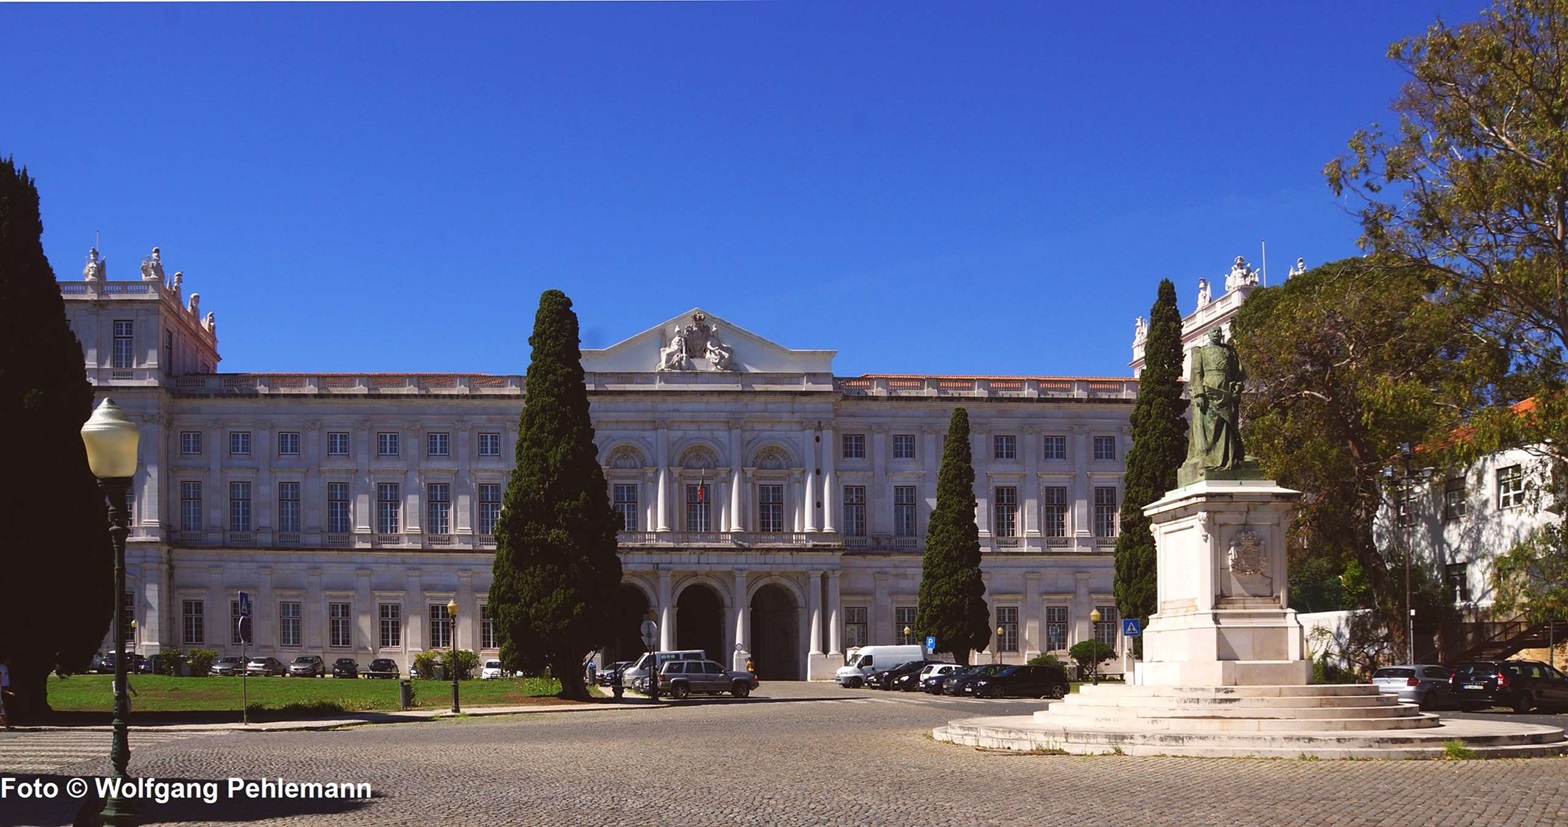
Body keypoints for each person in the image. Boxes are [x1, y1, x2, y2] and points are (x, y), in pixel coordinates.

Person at [1187, 328, 1247, 471]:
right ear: (1208, 334)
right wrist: (1199, 394)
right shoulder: (1200, 352)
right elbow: (1196, 374)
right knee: (1209, 430)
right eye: (1213, 331)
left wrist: (1237, 388)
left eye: (1219, 331)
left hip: (1227, 391)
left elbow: (1238, 374)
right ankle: (1208, 458)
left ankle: (1230, 456)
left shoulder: (1230, 352)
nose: (1217, 333)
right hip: (1208, 391)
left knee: (1228, 427)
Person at [0, 658, 12, 729]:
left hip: (4, 686)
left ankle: (5, 724)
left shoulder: (5, 667)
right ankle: (6, 726)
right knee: (2, 711)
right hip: (3, 686)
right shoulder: (2, 667)